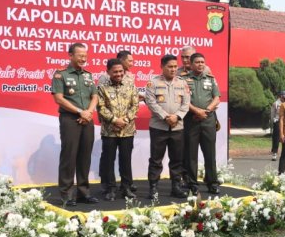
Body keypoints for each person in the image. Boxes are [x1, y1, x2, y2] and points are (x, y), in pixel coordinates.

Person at [51, 42, 98, 207]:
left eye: (85, 56)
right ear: (70, 55)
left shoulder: (88, 75)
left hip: (87, 119)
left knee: (85, 157)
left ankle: (84, 193)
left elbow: (95, 96)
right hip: (70, 119)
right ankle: (67, 194)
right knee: (69, 156)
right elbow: (59, 98)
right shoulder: (60, 75)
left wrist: (89, 113)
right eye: (80, 56)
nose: (83, 59)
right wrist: (80, 112)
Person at [146, 54, 191, 199]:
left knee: (177, 159)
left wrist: (177, 116)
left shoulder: (182, 83)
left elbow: (185, 103)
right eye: (169, 67)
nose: (173, 69)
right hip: (159, 127)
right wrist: (166, 117)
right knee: (156, 159)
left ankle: (176, 187)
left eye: (174, 66)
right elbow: (151, 102)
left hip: (177, 127)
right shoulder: (153, 83)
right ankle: (153, 188)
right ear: (162, 67)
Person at [97, 58, 139, 201]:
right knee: (109, 160)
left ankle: (126, 188)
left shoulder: (130, 85)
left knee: (125, 160)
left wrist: (125, 120)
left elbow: (135, 105)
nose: (119, 74)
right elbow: (100, 107)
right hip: (109, 131)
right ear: (108, 72)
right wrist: (115, 120)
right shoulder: (102, 87)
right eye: (115, 72)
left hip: (127, 130)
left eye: (121, 71)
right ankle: (110, 189)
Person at [183, 52, 221, 195]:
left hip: (208, 120)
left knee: (210, 153)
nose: (200, 64)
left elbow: (216, 98)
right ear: (191, 65)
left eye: (202, 62)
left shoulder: (211, 79)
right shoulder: (184, 79)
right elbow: (183, 100)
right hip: (190, 120)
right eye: (197, 62)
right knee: (191, 154)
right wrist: (196, 111)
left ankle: (212, 182)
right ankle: (192, 183)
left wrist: (205, 111)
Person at [270, 91, 285, 161]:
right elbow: (272, 114)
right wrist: (272, 122)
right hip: (277, 121)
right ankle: (274, 154)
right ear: (280, 96)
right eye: (283, 96)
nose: (284, 97)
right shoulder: (276, 103)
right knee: (276, 138)